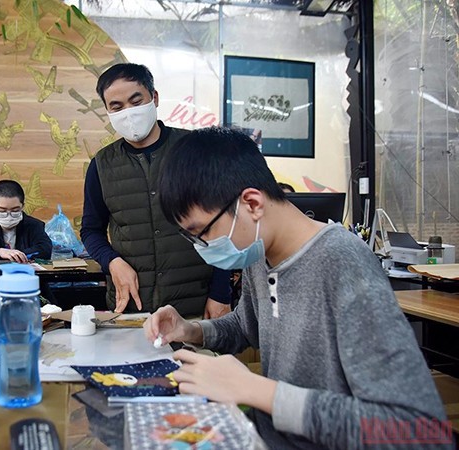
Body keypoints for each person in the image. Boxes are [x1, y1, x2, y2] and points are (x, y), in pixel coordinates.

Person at [144, 127, 449, 448]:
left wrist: (255, 390)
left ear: (252, 203)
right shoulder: (258, 255)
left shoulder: (343, 263)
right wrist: (191, 330)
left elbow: (416, 431)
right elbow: (246, 325)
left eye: (202, 232)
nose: (202, 246)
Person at [80, 63, 232, 318]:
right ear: (108, 111)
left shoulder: (194, 151)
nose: (128, 112)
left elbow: (224, 225)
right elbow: (90, 229)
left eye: (135, 101)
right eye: (116, 107)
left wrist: (221, 292)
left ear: (154, 98)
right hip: (133, 309)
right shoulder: (101, 165)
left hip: (195, 305)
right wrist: (112, 262)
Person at [0, 180, 52, 263]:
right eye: (2, 211)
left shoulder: (33, 225)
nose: (9, 216)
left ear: (22, 206)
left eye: (15, 210)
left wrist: (17, 255)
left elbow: (45, 249)